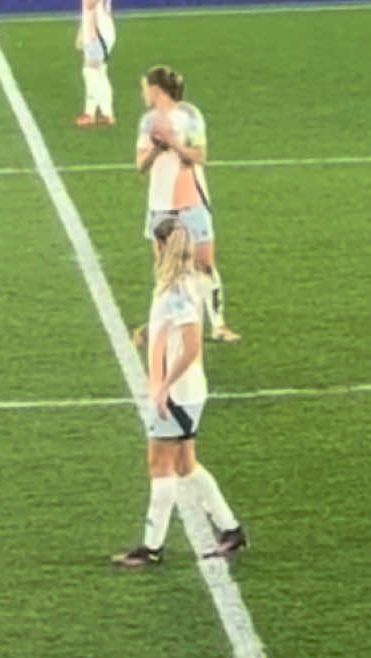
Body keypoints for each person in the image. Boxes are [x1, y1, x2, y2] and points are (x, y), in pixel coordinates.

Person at [112, 218, 247, 570]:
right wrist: (147, 332)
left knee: (160, 464)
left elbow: (189, 344)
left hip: (178, 395)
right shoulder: (180, 283)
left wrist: (164, 386)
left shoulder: (177, 290)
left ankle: (152, 547)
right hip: (186, 392)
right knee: (185, 464)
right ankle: (232, 530)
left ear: (160, 246)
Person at [136, 64, 240, 342]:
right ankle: (164, 324)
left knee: (204, 264)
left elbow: (198, 156)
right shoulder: (148, 122)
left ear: (157, 90)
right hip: (160, 205)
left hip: (192, 201)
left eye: (145, 88)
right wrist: (158, 148)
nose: (143, 93)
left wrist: (174, 143)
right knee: (165, 270)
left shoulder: (190, 116)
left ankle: (218, 325)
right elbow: (141, 165)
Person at [74, 0, 115, 128]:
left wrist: (89, 33)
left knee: (90, 72)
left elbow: (90, 4)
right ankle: (106, 113)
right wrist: (82, 32)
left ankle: (90, 114)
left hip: (98, 33)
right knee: (99, 72)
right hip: (96, 32)